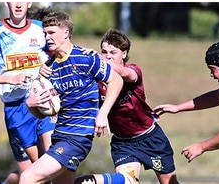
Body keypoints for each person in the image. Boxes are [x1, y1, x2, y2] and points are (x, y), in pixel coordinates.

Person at [18, 10, 131, 184]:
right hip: (59, 136)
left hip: (77, 138)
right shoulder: (49, 68)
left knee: (27, 178)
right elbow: (44, 112)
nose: (47, 37)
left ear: (66, 32)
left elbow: (116, 81)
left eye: (51, 33)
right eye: (45, 33)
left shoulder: (86, 58)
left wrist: (102, 114)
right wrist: (31, 105)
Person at [75, 29, 179, 184]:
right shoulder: (98, 82)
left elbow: (124, 72)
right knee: (127, 181)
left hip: (150, 138)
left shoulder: (133, 71)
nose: (108, 56)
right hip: (123, 143)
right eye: (104, 52)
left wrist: (97, 60)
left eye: (113, 52)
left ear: (123, 54)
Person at [154, 41, 219, 184]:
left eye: (213, 69)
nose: (212, 75)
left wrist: (201, 147)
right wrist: (178, 108)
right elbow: (217, 96)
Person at [0, 2, 54, 184]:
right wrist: (8, 79)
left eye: (23, 0)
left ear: (29, 3)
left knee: (51, 163)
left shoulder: (40, 29)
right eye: (13, 0)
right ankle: (10, 181)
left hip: (42, 100)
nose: (18, 4)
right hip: (16, 109)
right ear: (5, 2)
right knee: (32, 170)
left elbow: (59, 51)